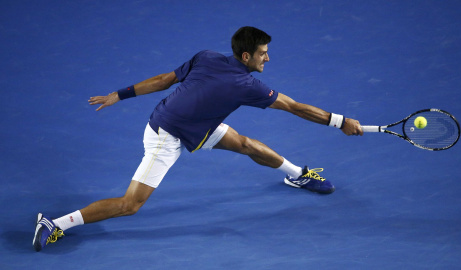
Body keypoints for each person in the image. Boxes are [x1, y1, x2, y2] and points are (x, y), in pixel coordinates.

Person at [33, 26, 363, 251]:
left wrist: (119, 95)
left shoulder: (206, 56)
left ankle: (296, 175)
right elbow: (293, 107)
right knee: (130, 205)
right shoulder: (248, 86)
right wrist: (341, 121)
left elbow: (164, 80)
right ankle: (55, 223)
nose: (268, 58)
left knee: (245, 144)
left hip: (197, 125)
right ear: (246, 57)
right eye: (263, 53)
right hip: (167, 136)